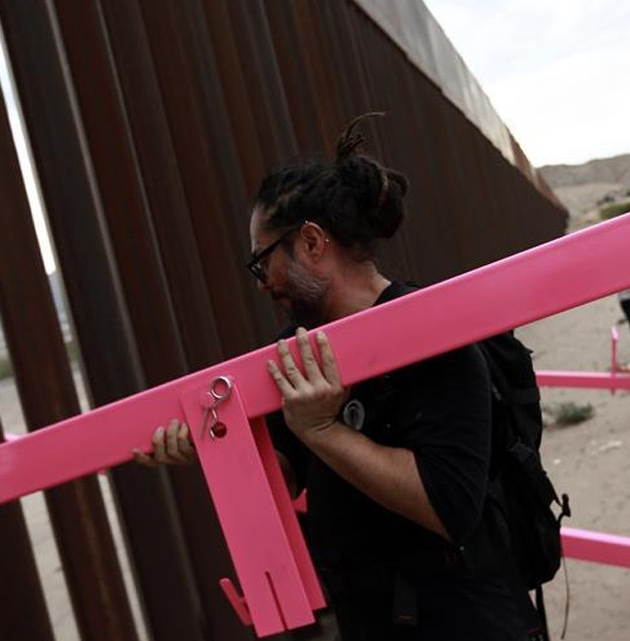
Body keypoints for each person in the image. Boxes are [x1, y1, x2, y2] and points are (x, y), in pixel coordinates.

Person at [135, 114, 544, 640]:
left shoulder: (433, 336)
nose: (262, 285)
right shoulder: (301, 347)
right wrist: (214, 448)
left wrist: (324, 430)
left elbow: (449, 506)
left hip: (465, 622)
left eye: (262, 264)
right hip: (373, 619)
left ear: (310, 242)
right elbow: (284, 472)